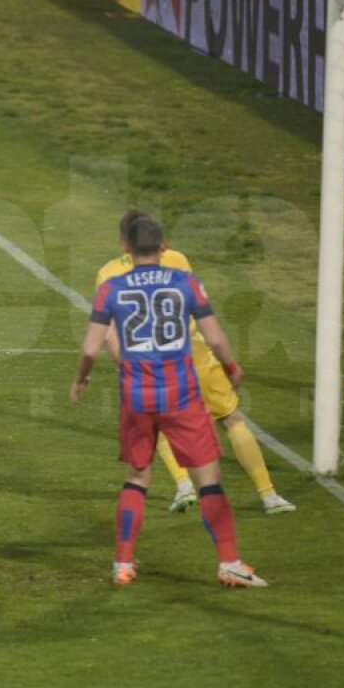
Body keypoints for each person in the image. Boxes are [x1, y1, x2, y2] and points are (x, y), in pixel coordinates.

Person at [71, 214, 267, 588]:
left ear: (126, 247)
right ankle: (229, 562)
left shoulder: (109, 288)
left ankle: (122, 564)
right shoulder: (185, 283)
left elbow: (90, 347)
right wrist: (231, 367)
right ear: (163, 246)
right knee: (208, 478)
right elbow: (214, 337)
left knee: (137, 477)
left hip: (136, 396)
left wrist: (80, 381)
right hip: (181, 395)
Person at [95, 210, 295, 515]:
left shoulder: (108, 273)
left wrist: (121, 363)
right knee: (231, 418)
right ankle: (269, 496)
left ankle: (184, 485)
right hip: (194, 356)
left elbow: (109, 333)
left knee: (157, 424)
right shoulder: (178, 260)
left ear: (125, 242)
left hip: (149, 366)